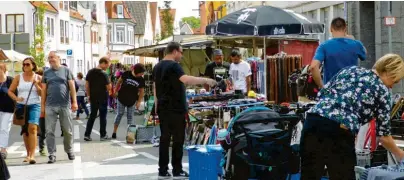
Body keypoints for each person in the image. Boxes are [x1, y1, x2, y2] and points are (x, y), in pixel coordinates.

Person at [300, 54, 404, 180]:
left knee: (309, 176)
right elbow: (384, 137)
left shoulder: (349, 70)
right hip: (338, 131)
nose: (392, 86)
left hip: (312, 122)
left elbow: (323, 94)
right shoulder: (382, 91)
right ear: (388, 72)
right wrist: (401, 156)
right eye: (395, 80)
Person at [153, 42, 217, 178]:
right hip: (175, 108)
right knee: (178, 139)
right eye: (181, 52)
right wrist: (206, 80)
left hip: (163, 108)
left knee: (164, 139)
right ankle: (177, 169)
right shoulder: (174, 66)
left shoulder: (157, 66)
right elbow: (186, 79)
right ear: (175, 51)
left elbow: (155, 88)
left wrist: (156, 106)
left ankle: (162, 170)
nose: (181, 56)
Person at [41, 51, 78, 164]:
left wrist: (74, 102)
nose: (51, 59)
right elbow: (43, 90)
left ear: (58, 58)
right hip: (50, 105)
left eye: (52, 57)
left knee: (67, 130)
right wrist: (42, 106)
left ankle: (69, 149)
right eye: (49, 58)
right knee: (49, 131)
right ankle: (52, 154)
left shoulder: (66, 71)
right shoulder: (46, 73)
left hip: (64, 105)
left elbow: (72, 87)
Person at [310, 17, 367, 88]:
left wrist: (322, 87)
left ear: (331, 29)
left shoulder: (324, 46)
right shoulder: (356, 44)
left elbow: (313, 67)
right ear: (345, 29)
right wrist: (354, 39)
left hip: (332, 91)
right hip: (351, 90)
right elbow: (364, 54)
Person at [8, 57, 42, 164]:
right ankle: (28, 154)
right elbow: (10, 91)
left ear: (33, 65)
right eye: (24, 64)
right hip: (21, 106)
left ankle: (32, 155)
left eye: (27, 64)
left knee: (32, 128)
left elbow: (42, 93)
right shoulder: (18, 77)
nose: (25, 66)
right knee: (25, 131)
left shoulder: (39, 77)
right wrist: (16, 98)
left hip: (35, 104)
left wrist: (36, 84)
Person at [112, 63, 145, 139]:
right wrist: (115, 91)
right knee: (119, 114)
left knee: (130, 117)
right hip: (121, 98)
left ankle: (130, 135)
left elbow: (141, 92)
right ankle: (114, 132)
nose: (142, 74)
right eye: (141, 73)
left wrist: (139, 102)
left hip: (132, 100)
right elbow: (118, 82)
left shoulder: (141, 79)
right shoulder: (126, 74)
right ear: (137, 71)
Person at [84, 57, 112, 141]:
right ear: (103, 63)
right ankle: (103, 135)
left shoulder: (90, 72)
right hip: (102, 97)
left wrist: (88, 95)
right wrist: (109, 82)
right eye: (107, 65)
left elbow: (87, 85)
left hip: (93, 97)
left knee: (92, 115)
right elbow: (108, 87)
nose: (107, 67)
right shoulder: (104, 74)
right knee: (103, 116)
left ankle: (87, 134)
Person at [0, 63, 14, 159]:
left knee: (4, 128)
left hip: (9, 109)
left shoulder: (10, 80)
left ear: (4, 70)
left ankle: (3, 149)